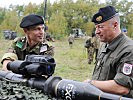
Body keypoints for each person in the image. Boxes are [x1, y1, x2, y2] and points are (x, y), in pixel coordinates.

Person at [84, 6, 133, 98]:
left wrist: (90, 83)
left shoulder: (128, 50)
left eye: (100, 27)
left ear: (115, 25)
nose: (97, 32)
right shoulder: (104, 45)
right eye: (96, 27)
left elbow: (122, 87)